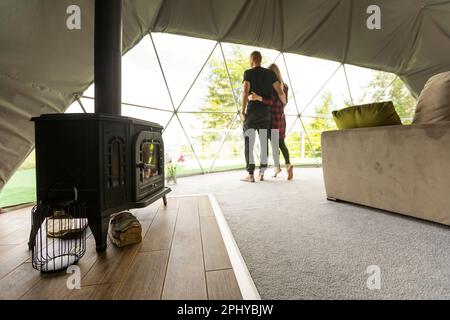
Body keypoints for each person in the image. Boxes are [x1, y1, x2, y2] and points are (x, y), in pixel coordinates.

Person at [241, 52, 286, 182]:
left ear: (251, 60)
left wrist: (243, 110)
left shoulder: (248, 73)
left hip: (252, 113)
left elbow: (245, 93)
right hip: (266, 113)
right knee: (263, 143)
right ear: (260, 60)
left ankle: (250, 175)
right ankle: (261, 173)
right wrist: (284, 105)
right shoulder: (270, 74)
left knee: (249, 142)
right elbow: (280, 92)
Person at [248, 63, 294, 180]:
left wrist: (258, 98)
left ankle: (277, 167)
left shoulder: (273, 85)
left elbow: (271, 102)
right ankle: (285, 165)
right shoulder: (285, 86)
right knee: (280, 143)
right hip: (281, 118)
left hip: (272, 117)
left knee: (274, 144)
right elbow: (284, 101)